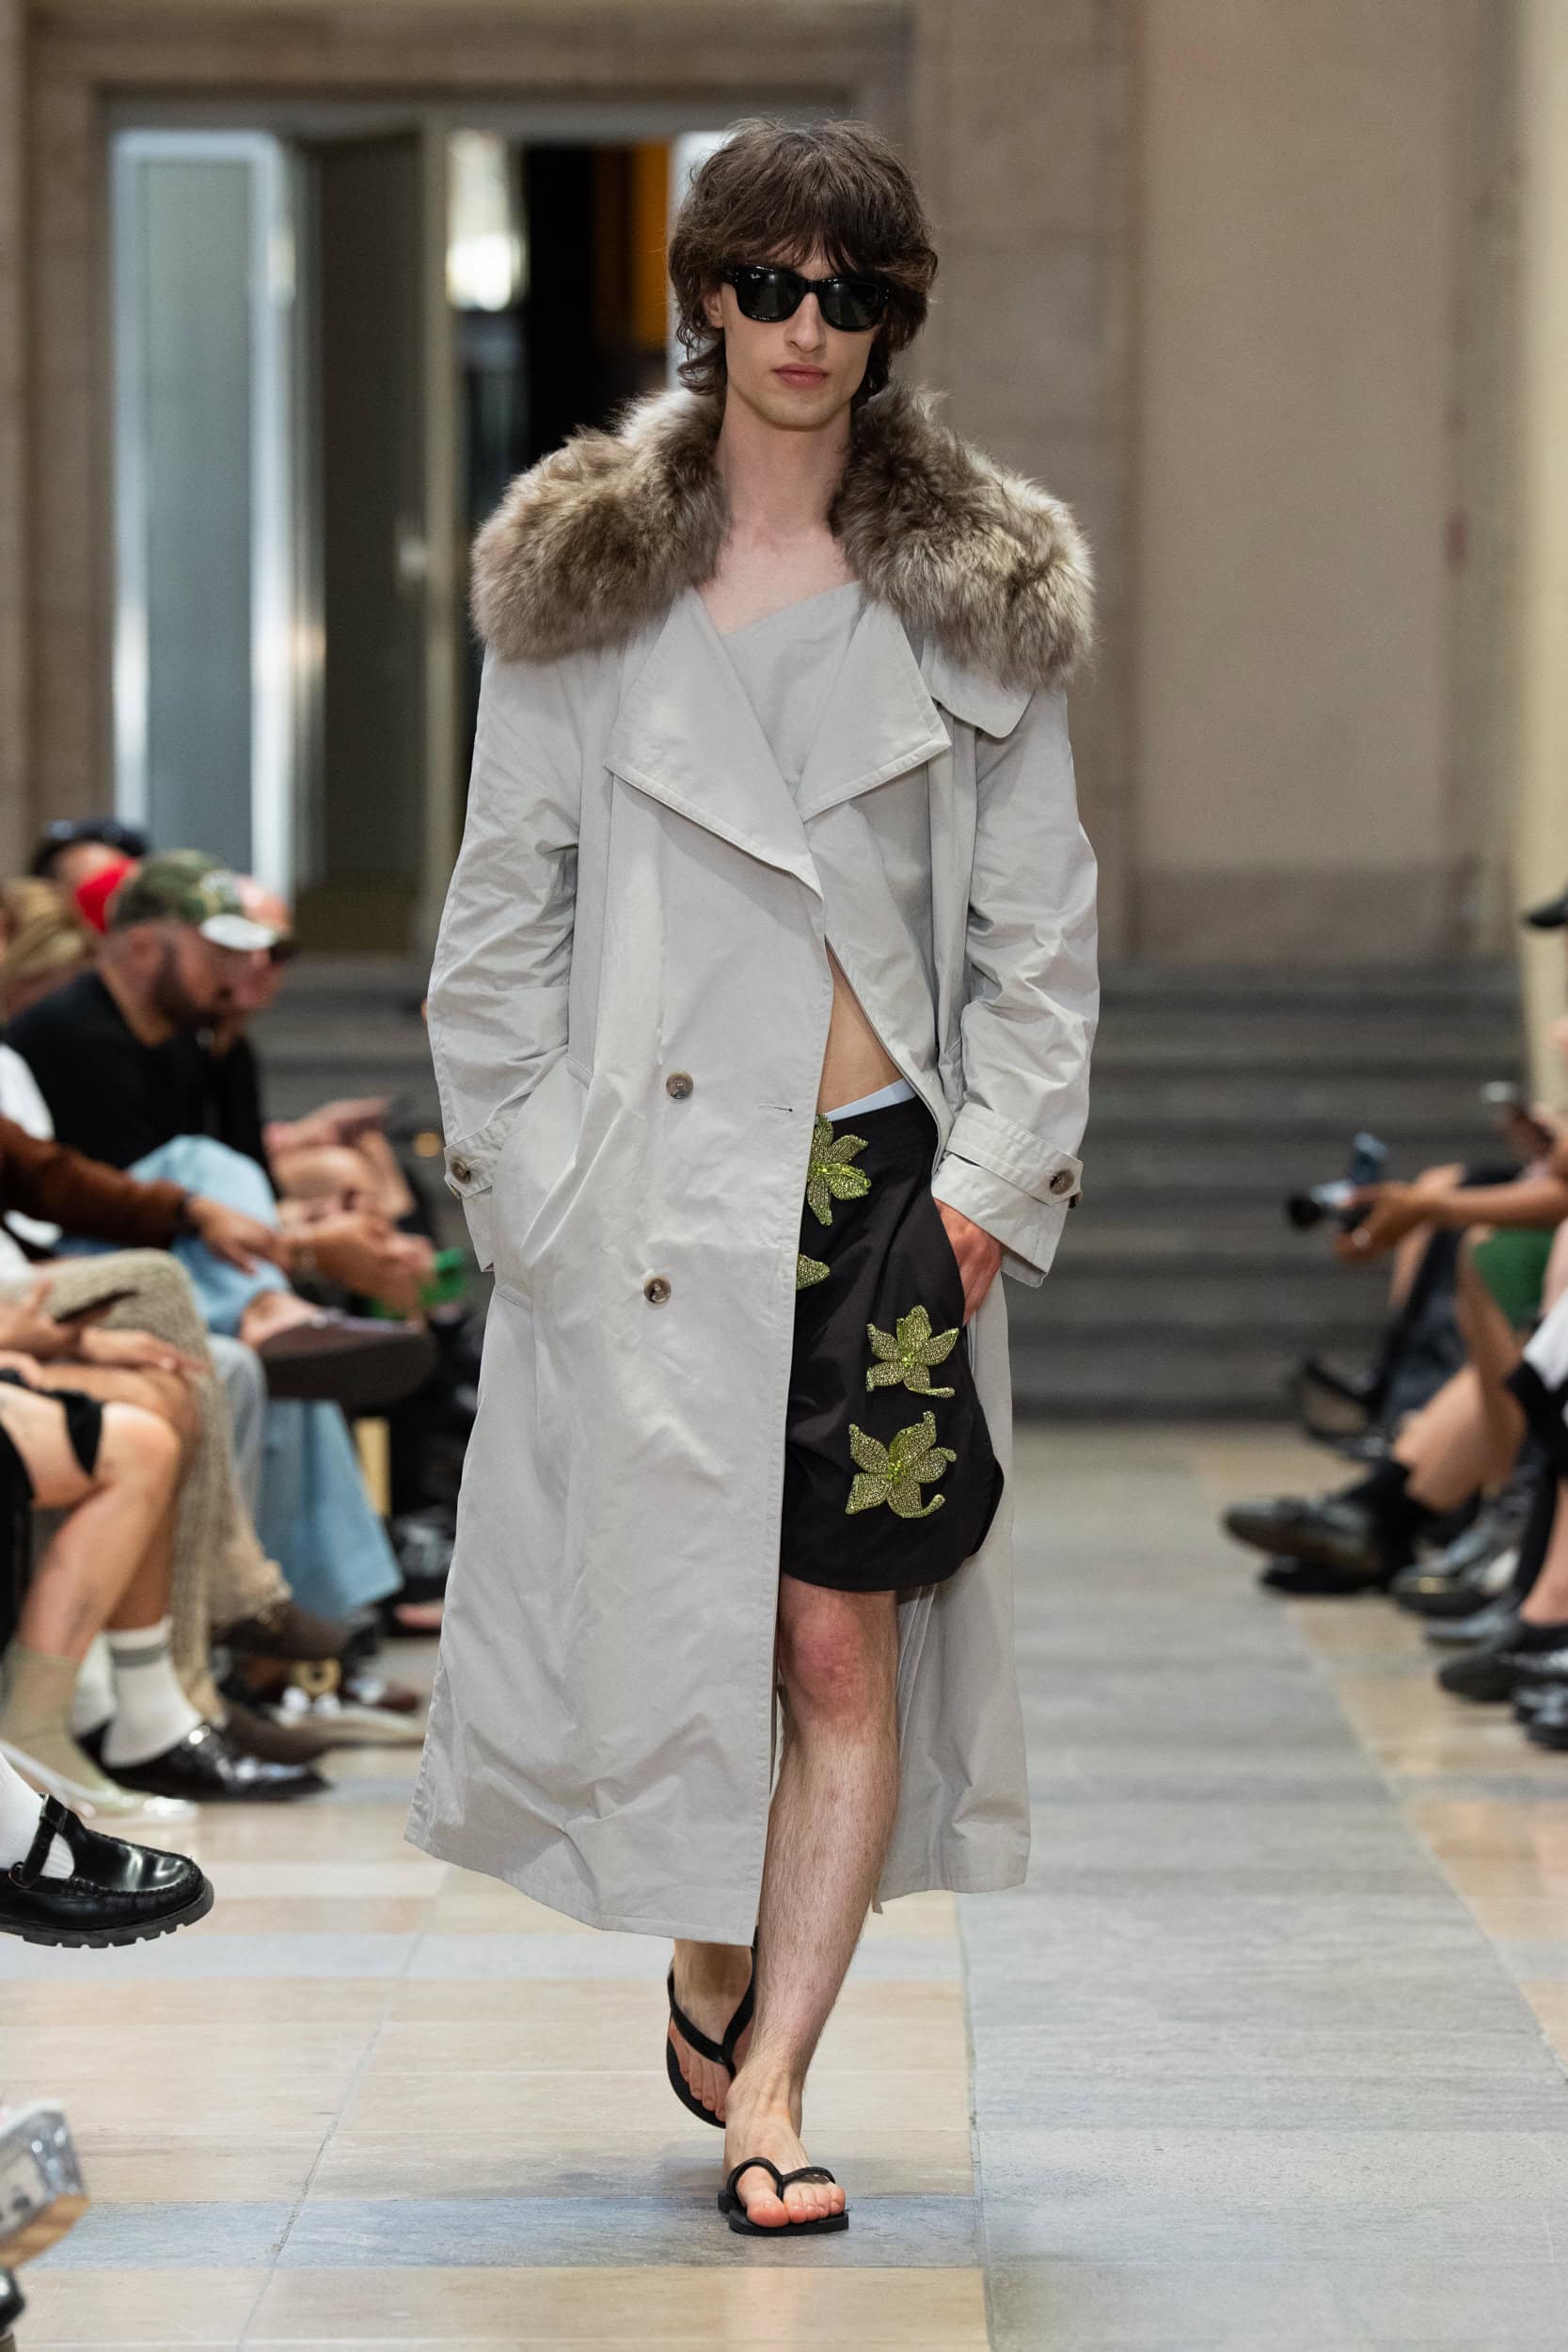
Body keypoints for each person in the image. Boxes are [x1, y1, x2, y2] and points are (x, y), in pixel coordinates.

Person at [408, 117, 1097, 2236]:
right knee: (687, 1640)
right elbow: (496, 924)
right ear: (706, 294)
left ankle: (774, 2076)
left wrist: (987, 1193)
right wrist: (536, 1193)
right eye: (771, 284)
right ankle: (716, 1964)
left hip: (885, 1197)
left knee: (833, 1647)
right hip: (649, 1205)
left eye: (850, 294)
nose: (808, 326)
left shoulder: (979, 592)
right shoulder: (583, 579)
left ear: (895, 322)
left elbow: (1042, 934)